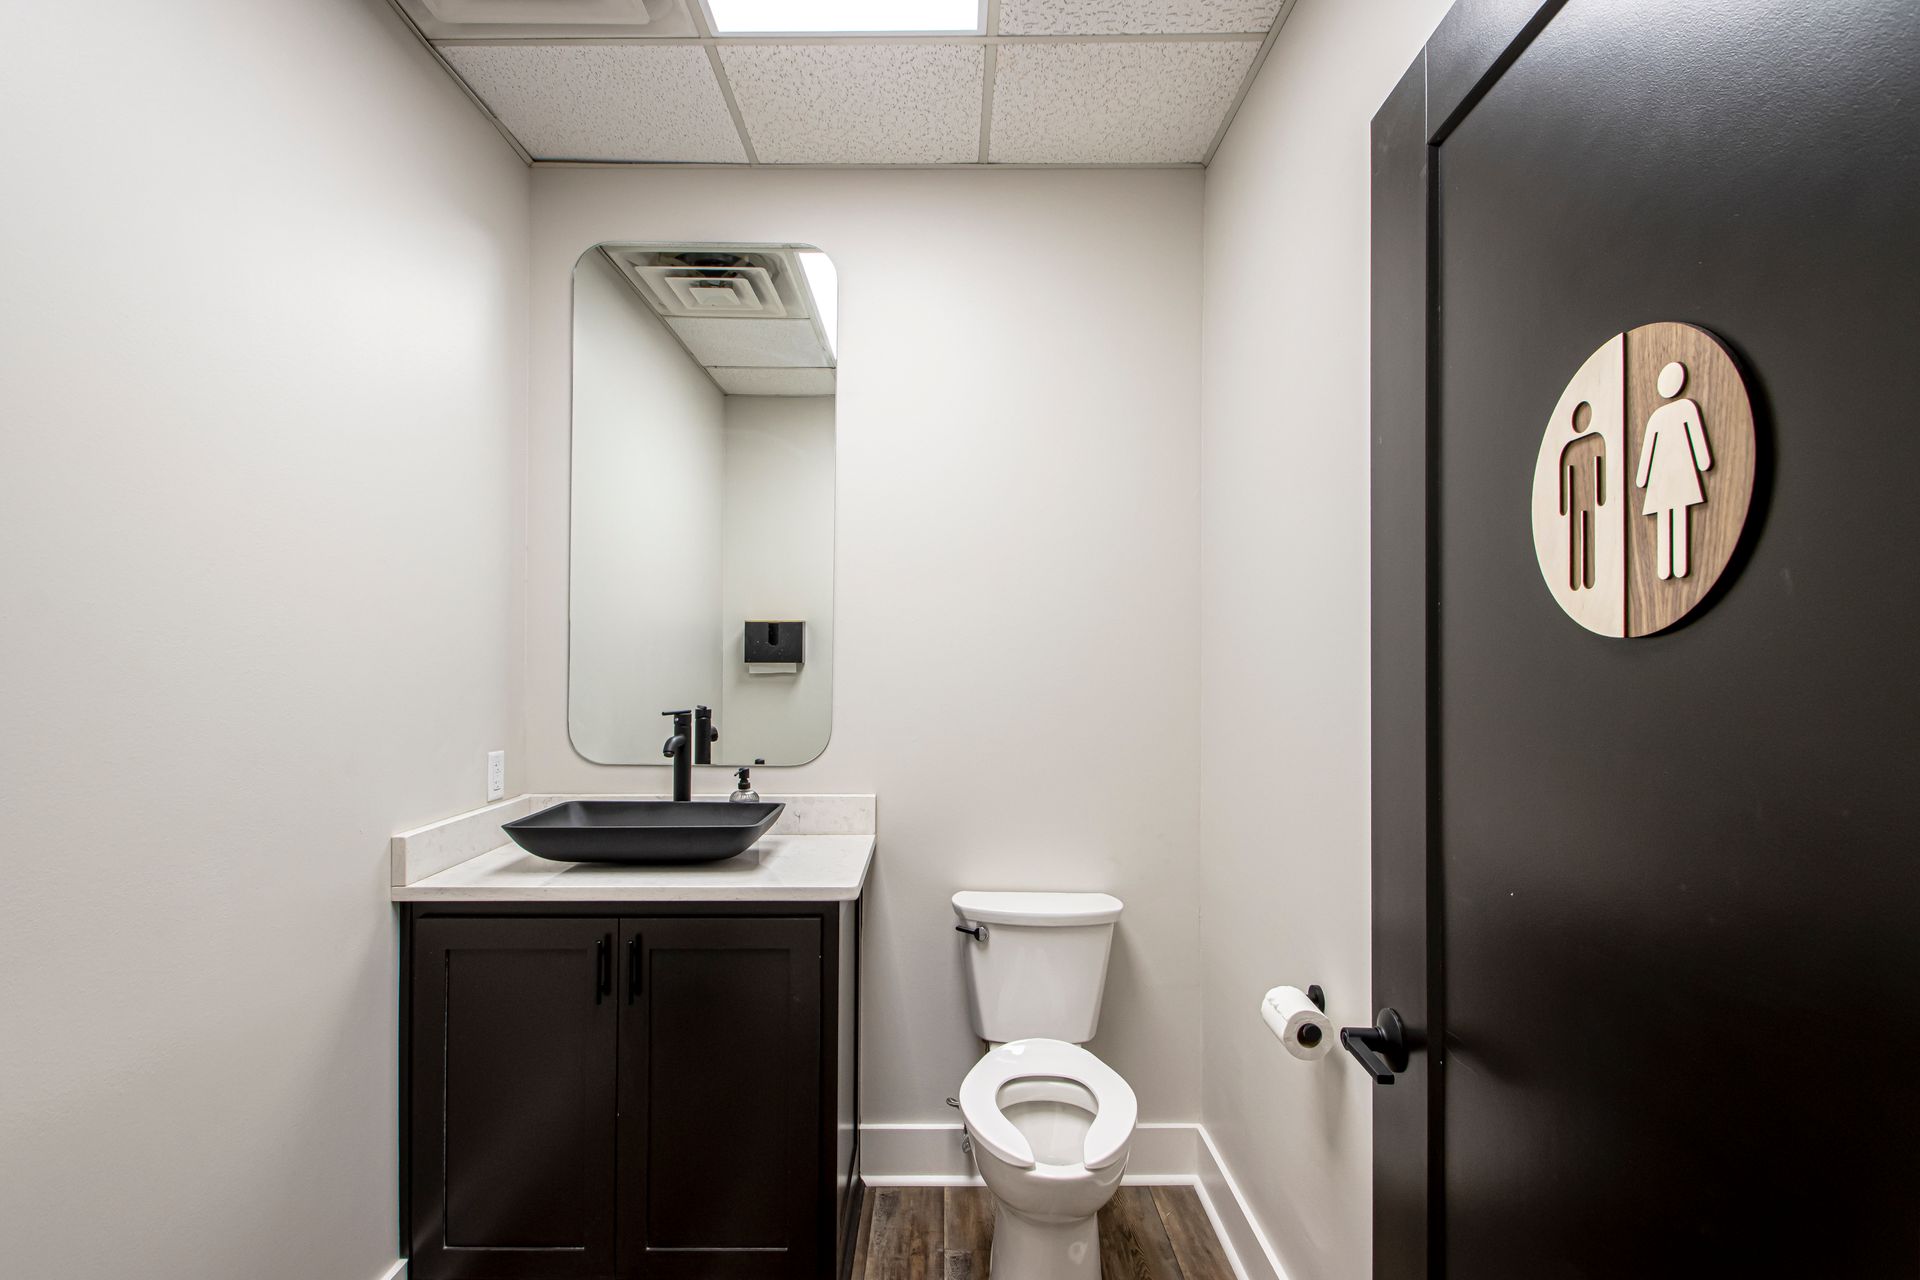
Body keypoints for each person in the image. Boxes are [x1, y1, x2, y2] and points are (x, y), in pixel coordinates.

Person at [1636, 360, 1712, 580]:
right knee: (1671, 516)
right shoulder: (1674, 411)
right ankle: (1670, 568)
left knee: (1672, 516)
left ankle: (1674, 567)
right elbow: (1649, 448)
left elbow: (1650, 450)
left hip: (1671, 474)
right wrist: (1703, 462)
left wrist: (1643, 478)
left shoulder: (1664, 415)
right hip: (1672, 474)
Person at [1557, 400, 1605, 591]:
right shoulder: (1586, 444)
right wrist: (1564, 507)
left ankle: (1588, 579)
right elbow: (1566, 478)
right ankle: (1580, 579)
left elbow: (1600, 470)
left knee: (1588, 535)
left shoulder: (1592, 442)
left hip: (1585, 500)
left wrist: (1601, 498)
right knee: (1581, 535)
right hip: (1580, 500)